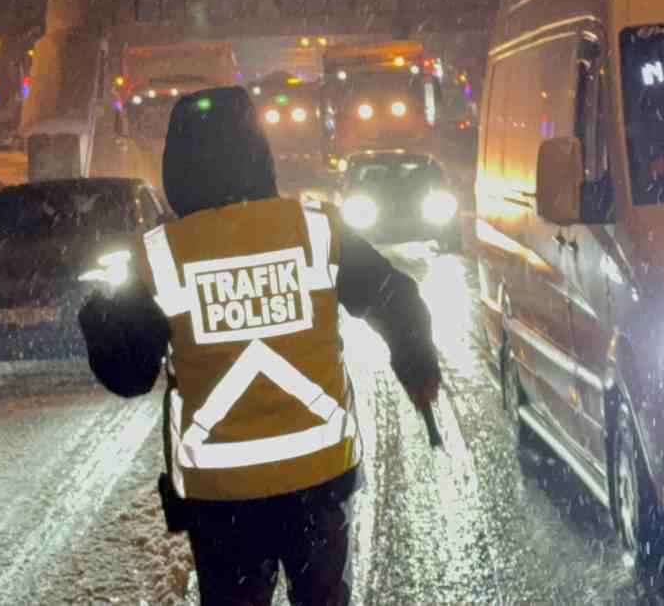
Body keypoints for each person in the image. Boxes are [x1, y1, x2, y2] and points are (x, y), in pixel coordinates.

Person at [79, 85, 441, 606]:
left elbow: (128, 373)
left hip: (222, 500)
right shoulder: (315, 231)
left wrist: (100, 317)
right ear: (259, 153)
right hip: (318, 482)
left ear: (177, 165)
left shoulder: (162, 257)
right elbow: (395, 299)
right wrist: (418, 369)